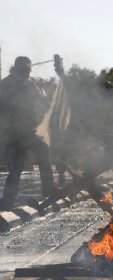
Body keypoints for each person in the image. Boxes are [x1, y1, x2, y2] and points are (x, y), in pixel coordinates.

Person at [0, 56, 56, 211]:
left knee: (17, 166)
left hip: (15, 132)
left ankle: (7, 201)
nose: (26, 73)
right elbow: (41, 97)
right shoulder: (22, 84)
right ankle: (48, 191)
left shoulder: (6, 83)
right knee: (41, 152)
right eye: (25, 70)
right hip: (19, 132)